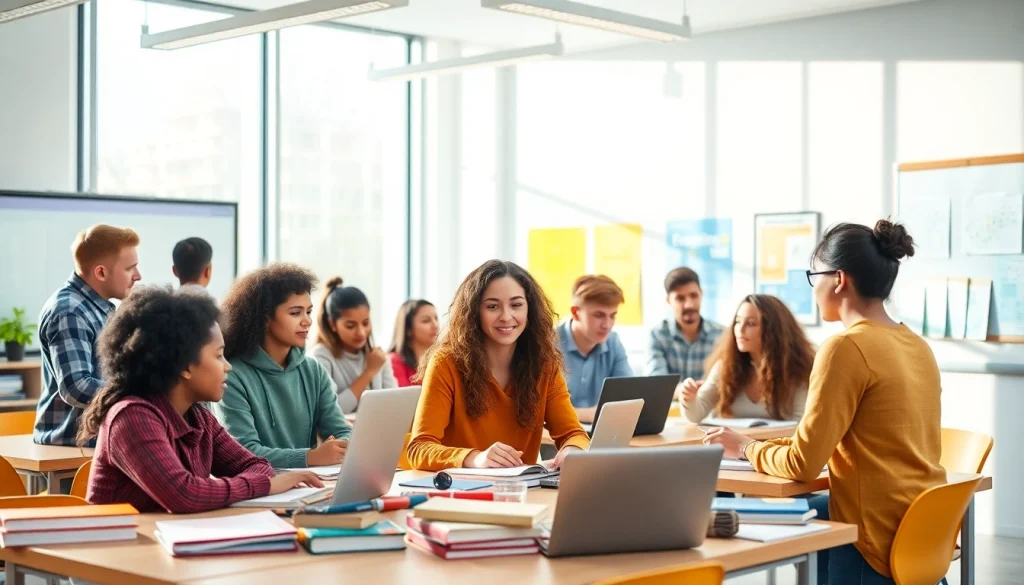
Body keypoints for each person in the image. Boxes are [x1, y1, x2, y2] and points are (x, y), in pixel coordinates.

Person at [705, 220, 944, 585]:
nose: (813, 287)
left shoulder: (845, 347)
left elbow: (803, 464)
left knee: (751, 517)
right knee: (803, 510)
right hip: (920, 529)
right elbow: (829, 440)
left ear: (839, 279)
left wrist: (749, 448)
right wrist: (752, 445)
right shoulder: (916, 345)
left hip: (872, 541)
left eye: (813, 274)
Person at [80, 286, 321, 513]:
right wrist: (266, 485)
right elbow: (185, 494)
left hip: (169, 546)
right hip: (117, 553)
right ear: (185, 365)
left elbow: (258, 466)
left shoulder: (199, 416)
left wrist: (260, 481)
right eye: (219, 356)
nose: (228, 366)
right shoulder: (131, 417)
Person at [406, 260, 590, 472]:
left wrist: (572, 450)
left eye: (516, 305)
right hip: (460, 494)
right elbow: (419, 449)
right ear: (474, 312)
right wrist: (475, 458)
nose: (506, 316)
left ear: (530, 309)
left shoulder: (543, 364)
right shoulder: (446, 363)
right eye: (492, 306)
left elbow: (573, 434)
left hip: (521, 494)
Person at [212, 264, 352, 469]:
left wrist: (344, 445)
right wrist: (310, 457)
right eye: (295, 313)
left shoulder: (313, 371)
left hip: (309, 485)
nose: (307, 321)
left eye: (309, 312)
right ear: (265, 318)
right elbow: (243, 451)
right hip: (261, 490)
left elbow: (340, 429)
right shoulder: (232, 375)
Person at [35, 225, 141, 448]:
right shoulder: (69, 312)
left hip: (96, 443)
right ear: (101, 272)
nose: (138, 276)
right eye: (130, 269)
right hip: (72, 448)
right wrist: (141, 394)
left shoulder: (101, 308)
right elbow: (77, 387)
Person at [681, 294, 814, 424]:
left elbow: (801, 426)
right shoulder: (725, 367)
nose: (740, 329)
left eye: (750, 323)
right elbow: (696, 414)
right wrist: (689, 399)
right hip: (731, 446)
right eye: (738, 322)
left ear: (773, 331)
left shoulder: (798, 371)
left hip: (778, 445)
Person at [310, 278, 397, 413]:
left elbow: (396, 403)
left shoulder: (377, 356)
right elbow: (329, 411)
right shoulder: (320, 357)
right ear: (333, 324)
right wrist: (369, 372)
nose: (361, 332)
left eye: (366, 323)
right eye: (350, 326)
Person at [555, 275, 632, 423]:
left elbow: (628, 397)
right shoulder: (546, 344)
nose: (607, 324)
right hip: (554, 440)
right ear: (576, 313)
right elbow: (537, 410)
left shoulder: (613, 342)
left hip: (601, 436)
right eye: (599, 315)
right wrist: (586, 414)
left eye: (612, 316)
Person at [647, 267, 724, 382]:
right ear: (668, 300)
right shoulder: (658, 335)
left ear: (701, 294)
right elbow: (656, 383)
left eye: (694, 296)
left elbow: (727, 380)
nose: (689, 305)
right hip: (673, 400)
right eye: (680, 298)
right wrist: (686, 391)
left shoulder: (722, 335)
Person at [388, 299, 440, 387]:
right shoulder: (394, 361)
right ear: (408, 329)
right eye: (426, 321)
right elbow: (402, 398)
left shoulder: (439, 360)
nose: (435, 325)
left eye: (436, 318)